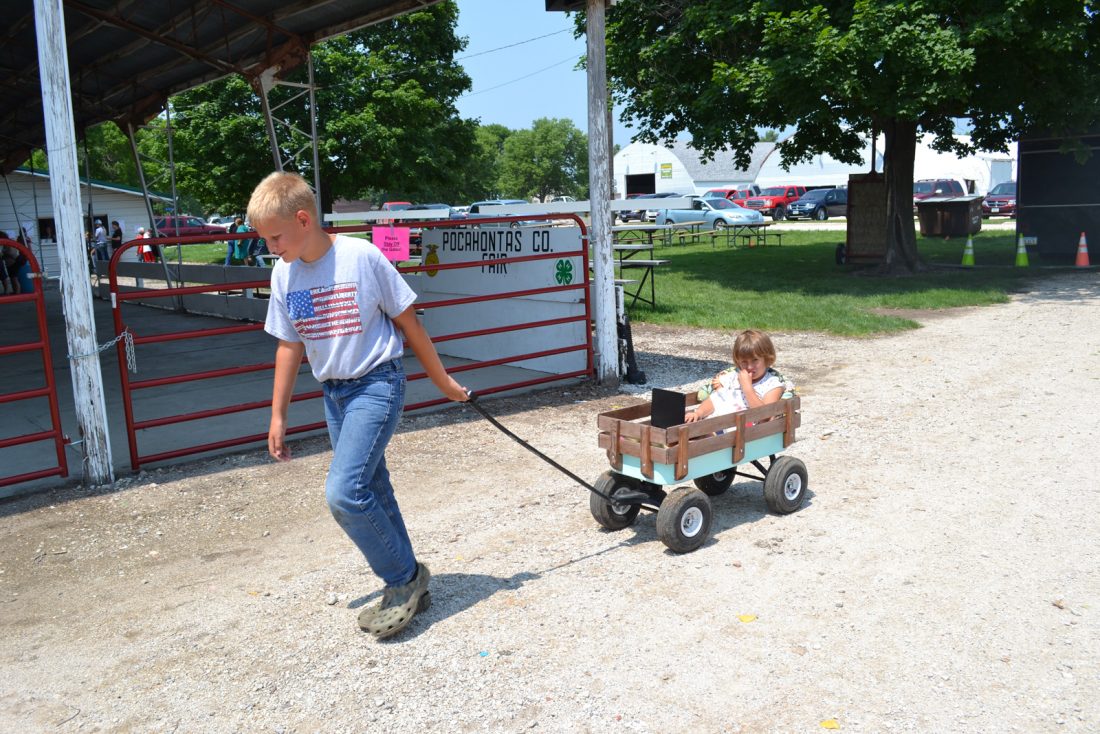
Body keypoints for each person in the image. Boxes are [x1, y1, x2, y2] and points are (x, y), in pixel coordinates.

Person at [249, 171, 468, 640]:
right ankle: (409, 580)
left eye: (274, 236)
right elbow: (288, 346)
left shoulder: (361, 257)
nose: (269, 247)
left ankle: (402, 579)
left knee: (345, 492)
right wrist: (278, 414)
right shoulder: (284, 273)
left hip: (377, 383)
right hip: (335, 393)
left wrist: (442, 380)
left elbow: (409, 323)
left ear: (303, 219)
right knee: (373, 484)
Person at [686, 329, 786, 423]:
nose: (749, 366)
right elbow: (715, 400)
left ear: (767, 359)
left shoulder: (772, 384)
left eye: (755, 360)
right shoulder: (732, 377)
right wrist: (698, 413)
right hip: (716, 424)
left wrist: (747, 387)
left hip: (743, 430)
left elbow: (765, 417)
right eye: (744, 362)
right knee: (684, 430)